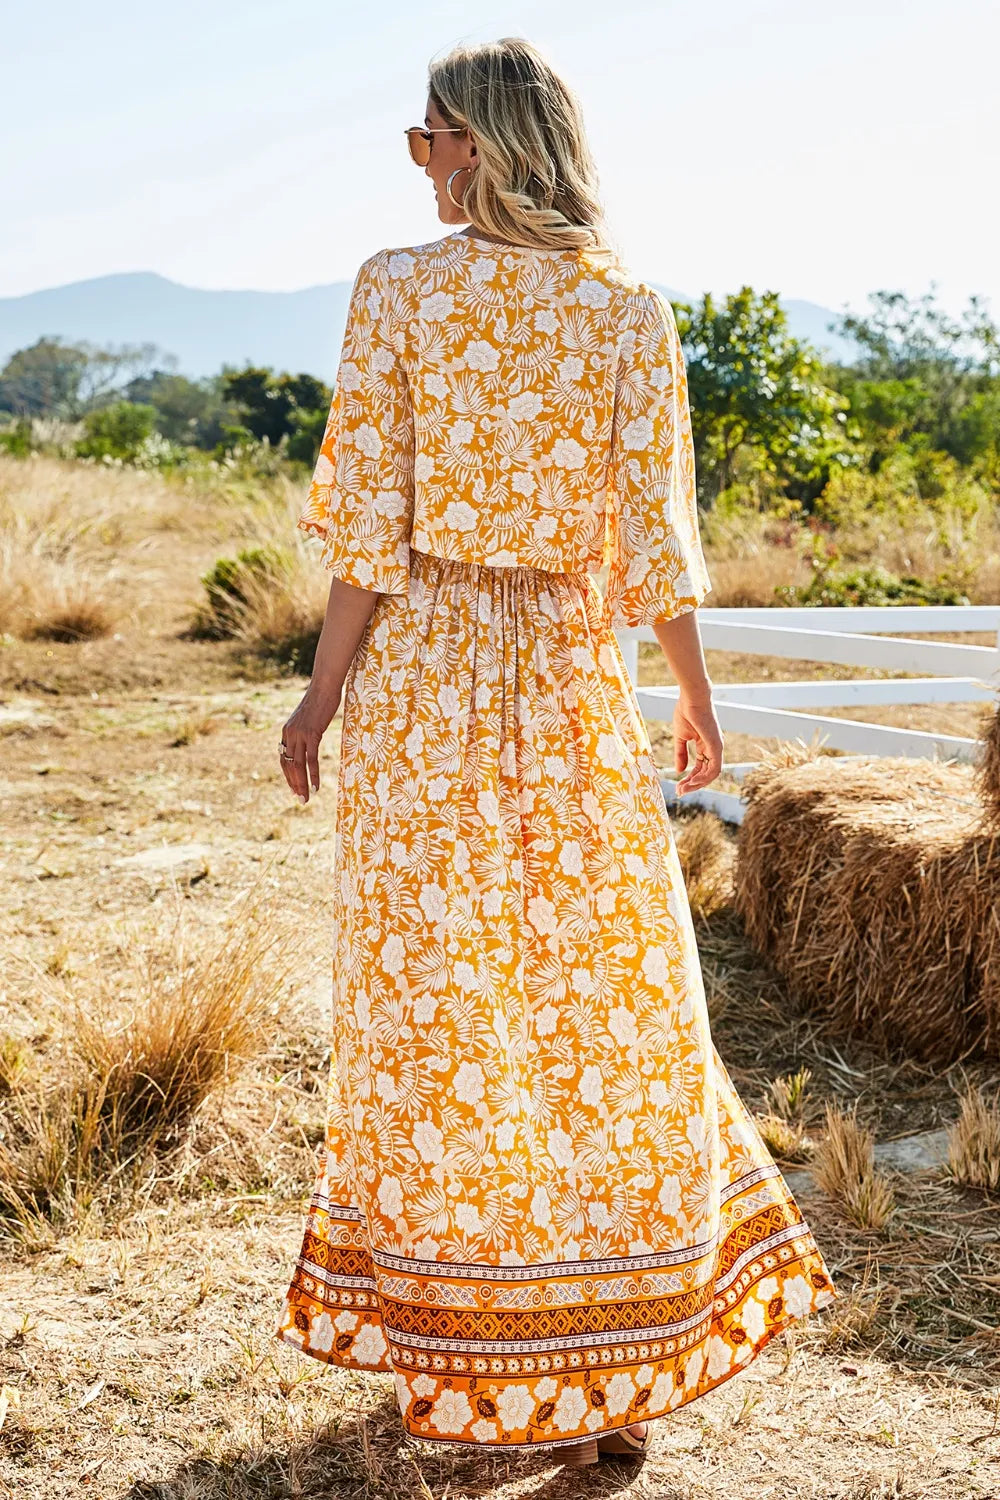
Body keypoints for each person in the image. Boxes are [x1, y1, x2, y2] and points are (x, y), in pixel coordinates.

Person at [273, 36, 839, 1469]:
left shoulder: (396, 290)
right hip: (573, 688)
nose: (420, 164)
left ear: (487, 143)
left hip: (421, 692)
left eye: (428, 137)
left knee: (436, 1011)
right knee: (605, 1002)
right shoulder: (627, 307)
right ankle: (614, 1360)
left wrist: (318, 700)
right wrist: (692, 695)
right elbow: (653, 535)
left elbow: (368, 539)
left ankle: (472, 1344)